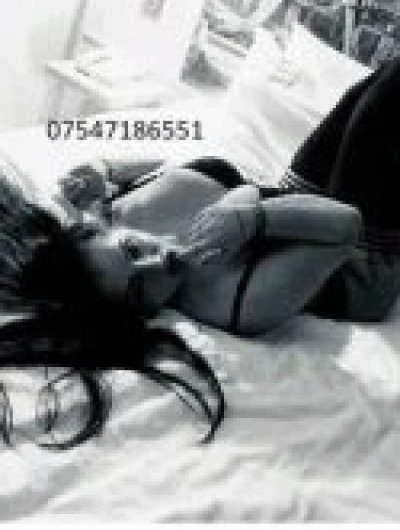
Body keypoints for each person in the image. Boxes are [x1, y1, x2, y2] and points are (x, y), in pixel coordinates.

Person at [0, 57, 399, 449]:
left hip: (290, 200)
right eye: (141, 289)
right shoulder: (237, 302)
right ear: (140, 313)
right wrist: (250, 218)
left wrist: (106, 170)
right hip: (363, 262)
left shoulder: (121, 214)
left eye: (133, 249)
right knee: (388, 95)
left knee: (375, 82)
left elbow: (168, 166)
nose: (159, 263)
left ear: (103, 229)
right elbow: (348, 224)